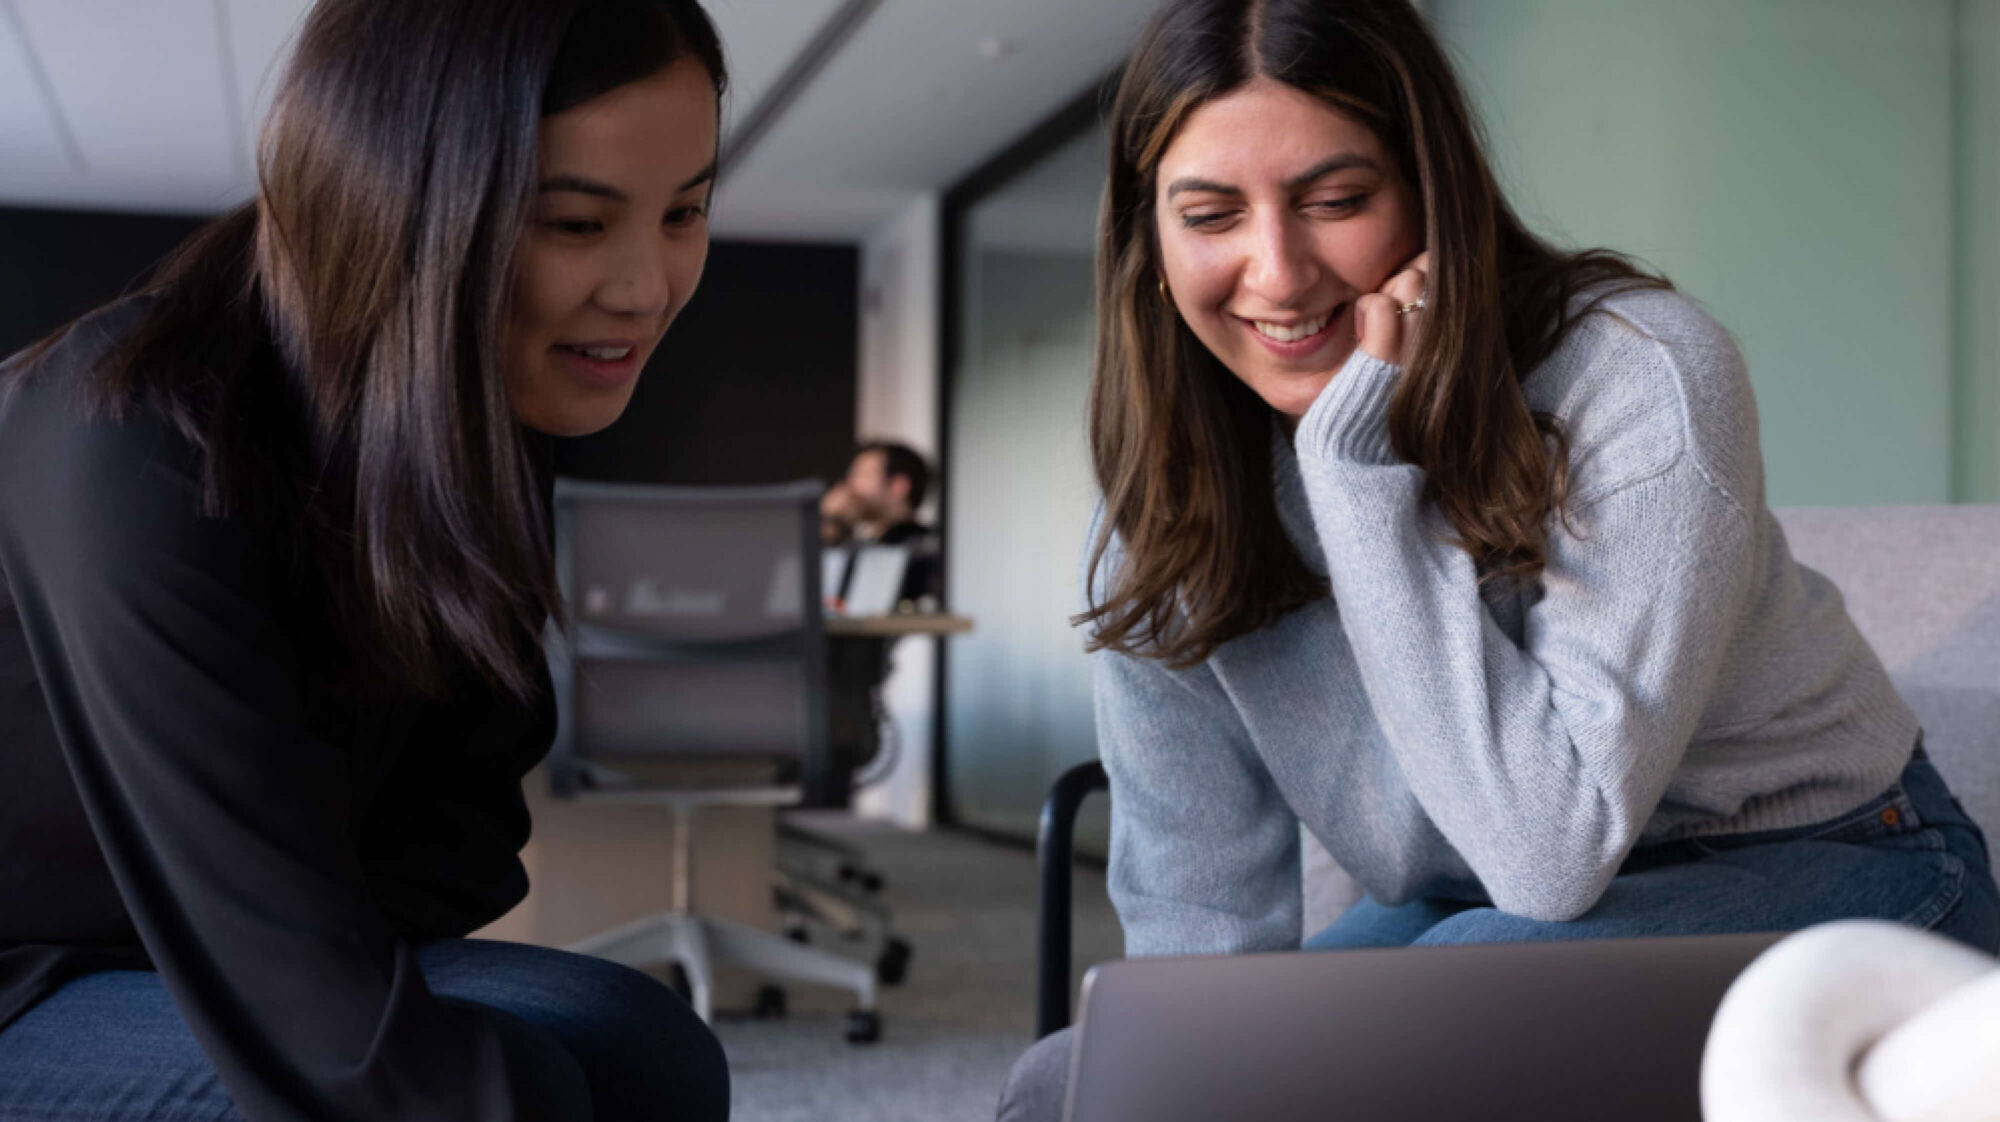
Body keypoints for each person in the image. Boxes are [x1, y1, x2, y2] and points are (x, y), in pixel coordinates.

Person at [998, 0, 2000, 1116]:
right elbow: (1197, 925)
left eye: (1335, 201)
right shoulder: (1168, 504)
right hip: (1470, 910)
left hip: (1841, 869)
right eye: (1209, 214)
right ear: (1150, 241)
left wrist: (1355, 473)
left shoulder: (1636, 376)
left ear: (1430, 192)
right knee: (1072, 1082)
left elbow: (1547, 853)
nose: (1275, 274)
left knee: (1421, 1033)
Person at [0, 1, 734, 1119]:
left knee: (646, 1045)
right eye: (576, 224)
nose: (645, 287)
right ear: (390, 201)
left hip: (201, 936)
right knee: (502, 1092)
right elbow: (309, 988)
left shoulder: (468, 411)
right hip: (32, 970)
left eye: (684, 211)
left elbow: (460, 843)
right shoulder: (132, 432)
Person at [820, 440, 933, 548]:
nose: (851, 486)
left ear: (899, 486)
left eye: (865, 476)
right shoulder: (870, 544)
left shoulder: (925, 548)